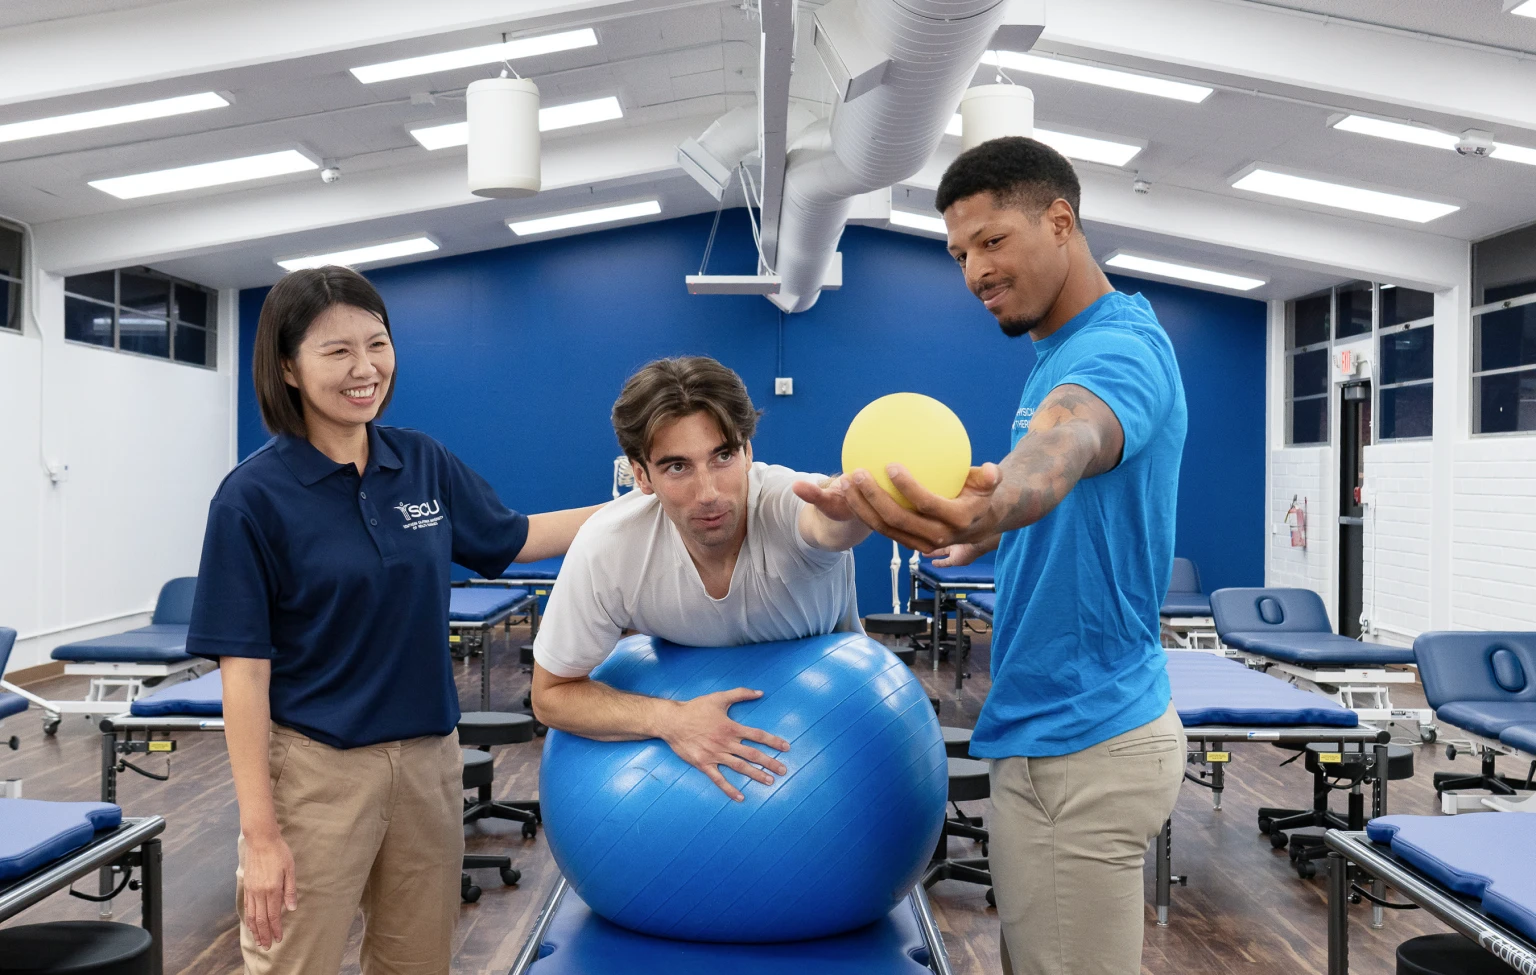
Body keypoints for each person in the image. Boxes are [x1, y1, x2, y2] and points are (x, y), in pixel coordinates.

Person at [832, 137, 1189, 975]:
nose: (973, 272)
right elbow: (1053, 490)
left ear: (1060, 221)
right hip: (1057, 731)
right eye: (960, 253)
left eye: (992, 241)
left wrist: (991, 500)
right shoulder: (1055, 354)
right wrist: (988, 523)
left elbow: (1069, 441)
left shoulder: (1116, 351)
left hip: (1084, 743)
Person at [185, 266, 601, 975]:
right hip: (316, 769)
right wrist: (260, 832)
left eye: (377, 343)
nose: (365, 367)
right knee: (295, 961)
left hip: (428, 761)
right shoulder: (251, 498)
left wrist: (649, 504)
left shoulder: (421, 462)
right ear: (287, 367)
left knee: (417, 962)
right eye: (336, 350)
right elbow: (244, 676)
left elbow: (517, 536)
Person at [529, 356, 870, 802]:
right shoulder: (608, 546)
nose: (708, 493)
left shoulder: (786, 501)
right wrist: (669, 719)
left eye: (723, 456)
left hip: (835, 738)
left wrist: (856, 512)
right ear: (641, 475)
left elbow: (825, 528)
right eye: (677, 467)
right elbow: (550, 695)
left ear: (748, 452)